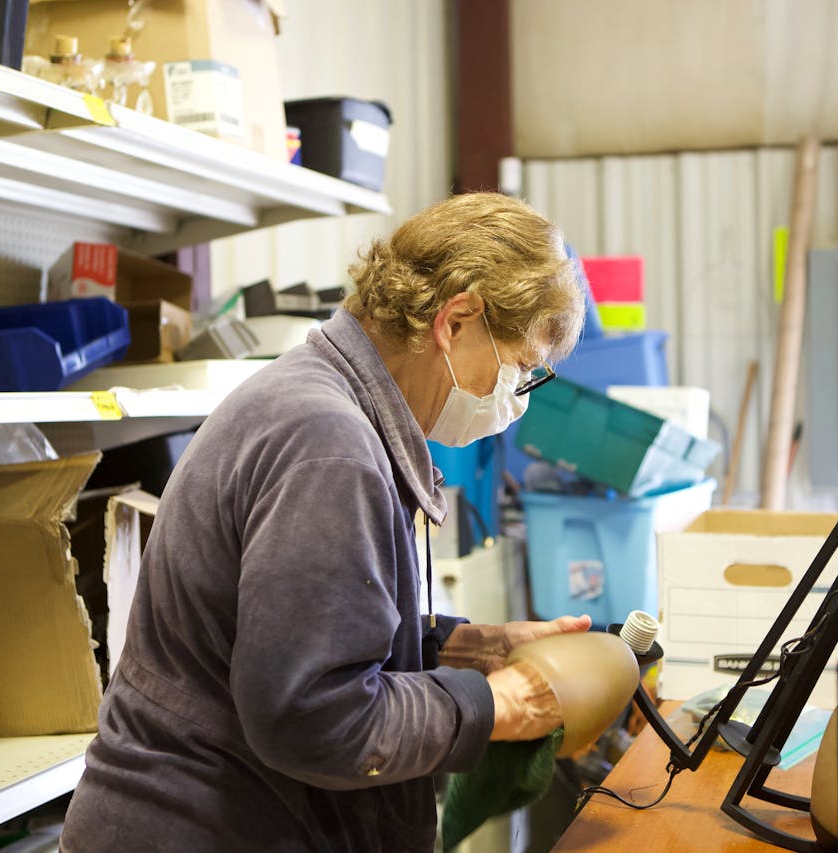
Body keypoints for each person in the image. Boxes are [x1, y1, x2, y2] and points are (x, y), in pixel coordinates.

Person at [61, 192, 591, 851]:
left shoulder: (323, 400)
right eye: (519, 370)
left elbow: (308, 630)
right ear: (455, 321)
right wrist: (500, 704)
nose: (514, 399)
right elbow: (315, 717)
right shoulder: (329, 444)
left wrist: (472, 647)